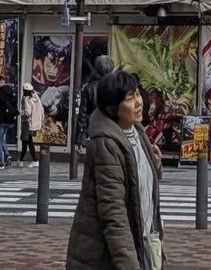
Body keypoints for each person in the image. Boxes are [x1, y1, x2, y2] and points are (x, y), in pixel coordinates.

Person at [65, 68, 162, 270]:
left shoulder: (137, 131)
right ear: (112, 108)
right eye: (129, 98)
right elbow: (113, 213)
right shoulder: (106, 144)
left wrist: (154, 165)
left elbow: (139, 187)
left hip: (139, 243)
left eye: (137, 94)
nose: (138, 102)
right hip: (103, 257)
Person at [0, 70, 18, 169]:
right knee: (2, 139)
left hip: (0, 119)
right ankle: (7, 155)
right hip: (9, 119)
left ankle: (0, 162)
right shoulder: (10, 91)